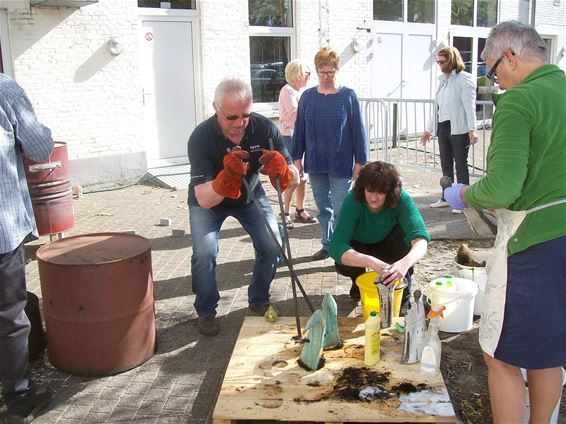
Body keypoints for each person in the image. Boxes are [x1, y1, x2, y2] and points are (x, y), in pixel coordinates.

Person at [444, 21, 566, 423]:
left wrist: (463, 194)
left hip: (534, 244)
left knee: (499, 354)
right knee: (549, 350)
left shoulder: (520, 101)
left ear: (510, 58)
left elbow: (502, 189)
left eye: (493, 71)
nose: (495, 82)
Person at [187, 77, 299, 336]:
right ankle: (206, 311)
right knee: (204, 252)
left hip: (249, 196)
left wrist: (284, 169)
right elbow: (203, 198)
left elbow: (294, 175)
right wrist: (225, 179)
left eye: (245, 115)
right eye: (231, 117)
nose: (239, 123)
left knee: (273, 244)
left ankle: (259, 299)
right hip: (211, 200)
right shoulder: (201, 138)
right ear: (216, 108)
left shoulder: (263, 129)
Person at [0, 74, 54, 422]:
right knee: (9, 317)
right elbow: (39, 148)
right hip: (2, 232)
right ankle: (19, 400)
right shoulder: (5, 89)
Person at [292, 47, 367, 261]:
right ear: (316, 71)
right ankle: (327, 244)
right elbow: (300, 129)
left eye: (330, 72)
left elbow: (358, 131)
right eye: (321, 72)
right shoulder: (307, 97)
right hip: (315, 163)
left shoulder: (348, 96)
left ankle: (343, 247)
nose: (326, 76)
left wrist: (360, 162)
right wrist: (297, 159)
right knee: (322, 207)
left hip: (341, 163)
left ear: (337, 69)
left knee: (342, 208)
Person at [329, 161, 429, 302]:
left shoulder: (402, 199)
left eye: (380, 192)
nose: (373, 198)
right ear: (362, 188)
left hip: (389, 244)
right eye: (369, 190)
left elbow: (421, 239)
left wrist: (404, 264)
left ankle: (403, 296)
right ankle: (358, 282)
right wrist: (370, 262)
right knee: (344, 262)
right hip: (360, 246)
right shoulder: (352, 200)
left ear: (390, 192)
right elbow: (336, 246)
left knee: (403, 240)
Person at [421, 46, 478, 214]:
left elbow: (469, 107)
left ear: (452, 60)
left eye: (442, 61)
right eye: (437, 61)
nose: (439, 64)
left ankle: (462, 200)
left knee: (460, 164)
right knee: (446, 164)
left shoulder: (464, 79)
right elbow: (437, 109)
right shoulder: (443, 81)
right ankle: (446, 197)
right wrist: (428, 130)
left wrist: (472, 129)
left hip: (459, 128)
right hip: (444, 127)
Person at [278, 59, 316, 230]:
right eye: (306, 74)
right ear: (298, 74)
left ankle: (300, 209)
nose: (308, 77)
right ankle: (285, 213)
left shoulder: (302, 91)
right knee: (293, 176)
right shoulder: (287, 91)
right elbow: (296, 114)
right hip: (291, 137)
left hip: (302, 136)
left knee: (303, 176)